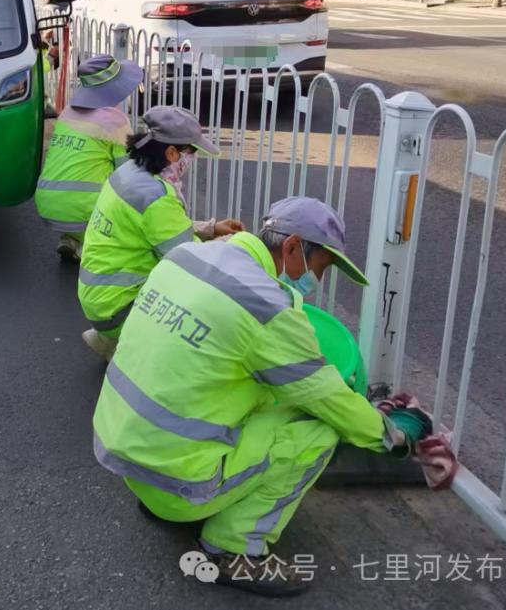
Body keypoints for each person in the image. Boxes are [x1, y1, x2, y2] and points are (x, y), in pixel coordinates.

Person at [91, 196, 429, 596]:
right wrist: (395, 437)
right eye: (318, 267)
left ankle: (168, 503)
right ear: (291, 247)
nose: (315, 280)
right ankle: (235, 550)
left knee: (248, 387)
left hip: (129, 461)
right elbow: (332, 401)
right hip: (176, 483)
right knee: (320, 428)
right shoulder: (266, 307)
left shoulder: (187, 257)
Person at [77, 106, 243, 360]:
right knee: (209, 306)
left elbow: (154, 229)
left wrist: (209, 228)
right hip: (121, 308)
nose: (193, 159)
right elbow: (191, 260)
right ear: (172, 152)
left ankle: (111, 338)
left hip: (100, 300)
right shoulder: (156, 196)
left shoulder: (129, 173)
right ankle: (131, 344)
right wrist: (231, 244)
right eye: (192, 152)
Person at [35, 55, 142, 262]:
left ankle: (72, 238)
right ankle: (89, 248)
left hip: (47, 203)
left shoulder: (67, 113)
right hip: (85, 210)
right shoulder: (114, 120)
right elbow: (127, 173)